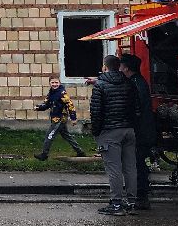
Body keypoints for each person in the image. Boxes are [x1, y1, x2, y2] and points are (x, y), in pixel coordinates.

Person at [89, 54, 138, 215]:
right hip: (129, 130)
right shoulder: (129, 83)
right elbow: (136, 108)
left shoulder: (101, 85)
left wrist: (96, 132)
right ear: (119, 66)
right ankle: (132, 202)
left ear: (105, 66)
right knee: (130, 167)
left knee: (114, 169)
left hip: (110, 131)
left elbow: (96, 112)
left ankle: (116, 204)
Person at [119, 52, 156, 209]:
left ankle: (141, 196)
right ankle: (139, 194)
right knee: (137, 163)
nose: (119, 69)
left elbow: (137, 110)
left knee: (137, 164)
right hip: (142, 130)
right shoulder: (138, 81)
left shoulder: (135, 84)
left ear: (126, 68)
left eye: (121, 66)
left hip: (140, 132)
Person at [34, 77, 85, 159]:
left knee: (49, 135)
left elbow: (70, 105)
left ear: (60, 83)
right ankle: (80, 152)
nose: (54, 84)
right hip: (55, 118)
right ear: (49, 83)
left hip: (60, 119)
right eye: (52, 83)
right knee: (67, 136)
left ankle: (44, 154)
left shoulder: (62, 93)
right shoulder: (51, 93)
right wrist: (39, 107)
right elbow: (47, 104)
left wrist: (73, 118)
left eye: (56, 82)